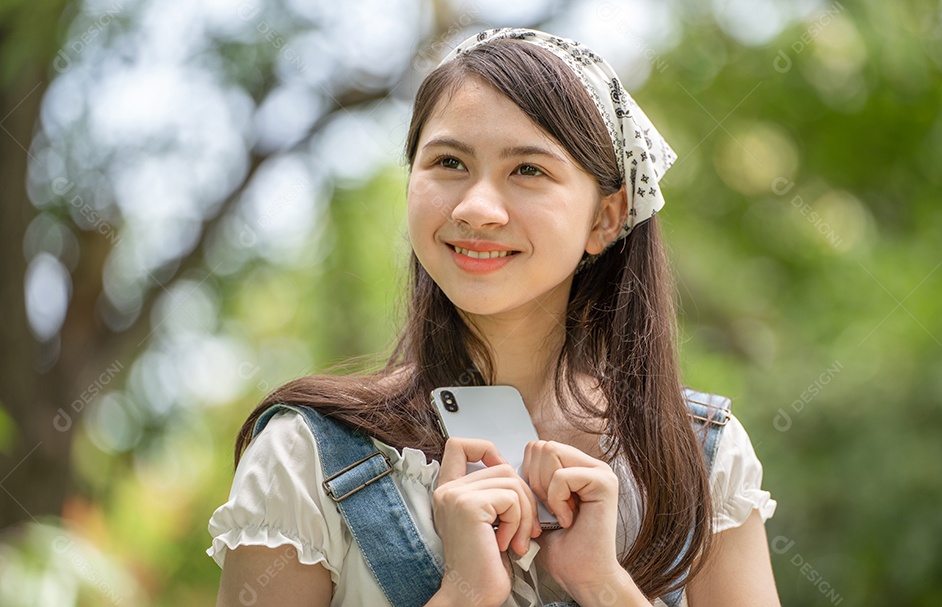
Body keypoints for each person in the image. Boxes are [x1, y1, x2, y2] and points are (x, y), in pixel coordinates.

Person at [207, 27, 780, 607]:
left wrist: (603, 585)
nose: (476, 208)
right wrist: (463, 594)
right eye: (449, 162)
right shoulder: (303, 457)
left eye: (528, 169)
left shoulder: (701, 457)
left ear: (606, 218)